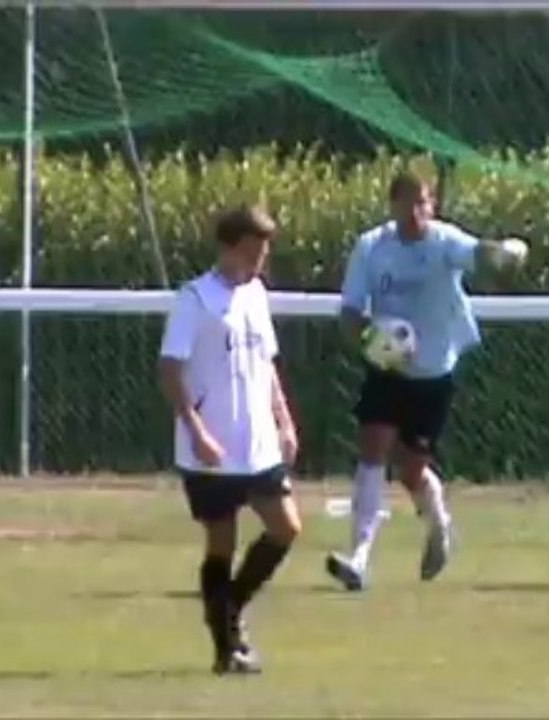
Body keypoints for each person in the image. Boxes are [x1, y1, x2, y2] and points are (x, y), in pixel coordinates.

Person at [324, 170, 528, 592]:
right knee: (372, 449)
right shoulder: (371, 247)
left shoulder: (443, 241)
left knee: (411, 470)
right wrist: (373, 340)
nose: (416, 211)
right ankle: (359, 557)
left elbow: (478, 254)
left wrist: (505, 252)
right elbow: (349, 314)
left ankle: (439, 524)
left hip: (434, 372)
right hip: (387, 369)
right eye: (408, 202)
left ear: (432, 204)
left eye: (423, 202)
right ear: (393, 205)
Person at [157, 204, 302, 675]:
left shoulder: (256, 295)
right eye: (253, 249)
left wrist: (284, 419)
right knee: (221, 543)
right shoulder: (195, 299)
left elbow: (267, 363)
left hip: (257, 444)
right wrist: (195, 430)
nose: (261, 258)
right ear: (229, 247)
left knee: (286, 527)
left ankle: (230, 608)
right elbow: (170, 368)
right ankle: (226, 649)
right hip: (212, 449)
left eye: (265, 250)